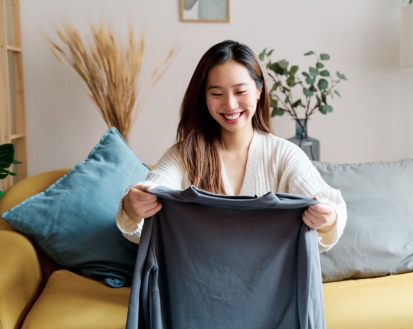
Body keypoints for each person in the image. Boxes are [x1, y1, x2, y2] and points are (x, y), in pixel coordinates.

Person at [116, 40, 346, 252]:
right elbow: (153, 193)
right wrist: (131, 206)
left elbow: (330, 206)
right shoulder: (185, 155)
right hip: (197, 283)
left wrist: (328, 219)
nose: (230, 104)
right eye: (216, 93)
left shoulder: (284, 154)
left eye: (240, 91)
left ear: (259, 91)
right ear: (203, 98)